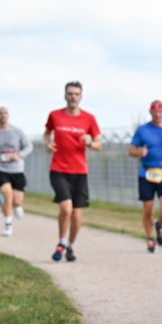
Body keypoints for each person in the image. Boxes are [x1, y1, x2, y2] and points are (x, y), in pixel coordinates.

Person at [44, 81, 101, 261]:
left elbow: (99, 144)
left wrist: (90, 142)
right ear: (64, 95)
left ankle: (70, 246)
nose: (73, 97)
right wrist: (48, 144)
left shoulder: (89, 118)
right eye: (70, 93)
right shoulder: (55, 115)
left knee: (76, 215)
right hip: (58, 169)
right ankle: (61, 242)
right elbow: (47, 133)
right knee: (66, 208)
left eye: (76, 94)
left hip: (80, 171)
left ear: (81, 96)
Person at [128, 100, 162, 253]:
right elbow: (131, 150)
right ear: (150, 112)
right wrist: (139, 152)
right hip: (146, 173)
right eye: (154, 111)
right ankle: (150, 238)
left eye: (160, 111)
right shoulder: (142, 130)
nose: (157, 114)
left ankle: (159, 225)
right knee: (148, 210)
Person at [0, 106, 32, 237]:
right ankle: (8, 224)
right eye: (0, 113)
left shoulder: (17, 131)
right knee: (7, 194)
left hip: (17, 169)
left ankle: (17, 206)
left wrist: (19, 155)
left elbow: (29, 146)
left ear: (8, 115)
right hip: (0, 168)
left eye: (5, 113)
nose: (3, 115)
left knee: (16, 201)